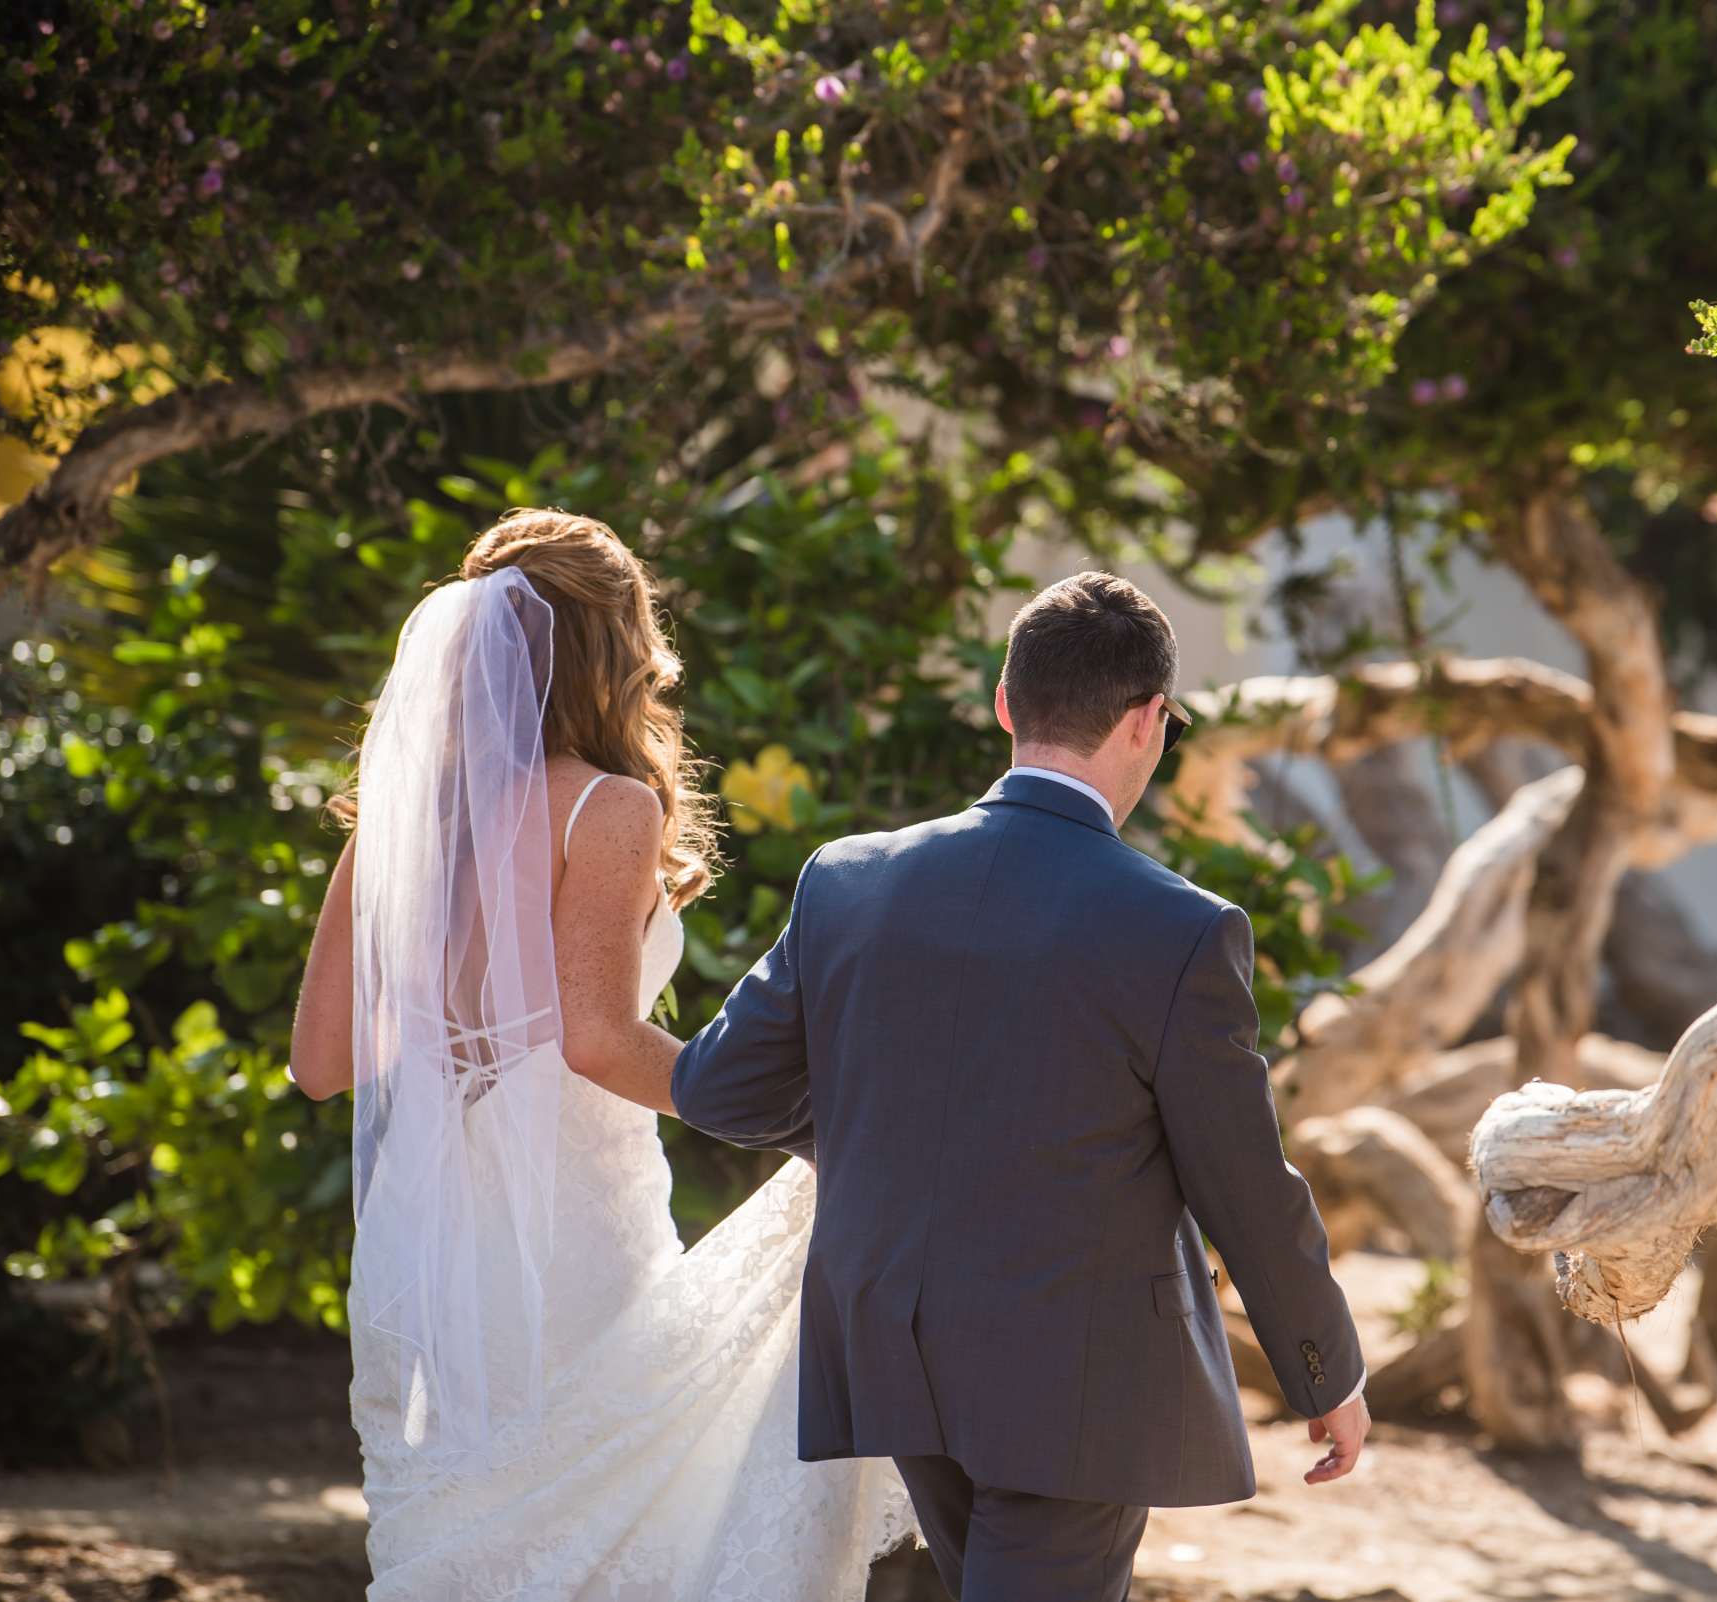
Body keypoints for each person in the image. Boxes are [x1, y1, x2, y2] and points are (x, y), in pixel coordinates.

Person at [670, 570, 1370, 1602]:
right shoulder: (1181, 930)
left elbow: (721, 1089)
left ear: (1006, 704)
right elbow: (1246, 1186)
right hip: (1077, 1375)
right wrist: (1329, 1369)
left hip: (891, 1345)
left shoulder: (846, 879)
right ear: (1148, 722)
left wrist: (882, 1114)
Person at [288, 510, 909, 1601]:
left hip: (427, 1246)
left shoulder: (393, 822)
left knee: (468, 1525)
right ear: (610, 648)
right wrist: (790, 1112)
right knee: (619, 1518)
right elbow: (598, 1042)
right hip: (575, 1227)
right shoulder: (608, 808)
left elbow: (322, 1062)